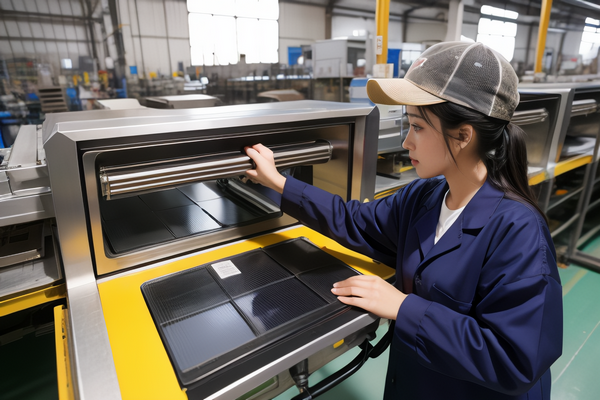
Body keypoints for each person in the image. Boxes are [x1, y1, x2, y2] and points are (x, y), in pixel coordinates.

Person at [244, 41, 563, 400]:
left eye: (418, 127)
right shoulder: (425, 197)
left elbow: (515, 360)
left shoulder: (518, 232)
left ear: (463, 135)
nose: (407, 142)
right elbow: (356, 221)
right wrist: (279, 182)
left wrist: (402, 307)